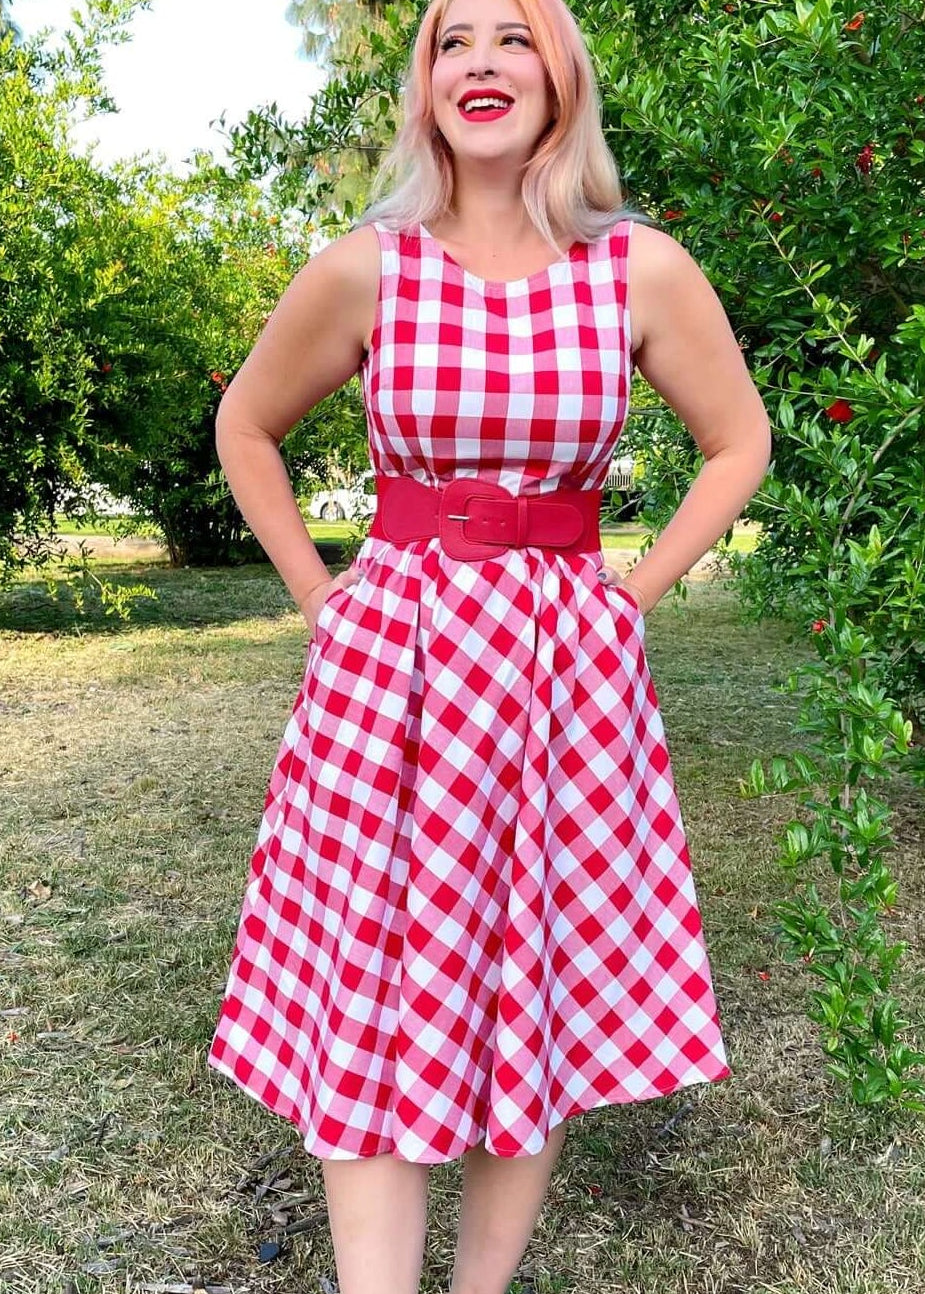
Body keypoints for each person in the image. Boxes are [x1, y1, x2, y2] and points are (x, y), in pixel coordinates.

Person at [206, 0, 772, 1290]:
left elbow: (738, 439)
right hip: (391, 669)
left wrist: (633, 593)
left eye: (511, 36)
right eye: (451, 40)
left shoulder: (639, 269)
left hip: (565, 674)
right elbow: (249, 423)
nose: (481, 62)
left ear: (558, 72)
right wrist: (322, 594)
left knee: (540, 984)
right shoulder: (368, 266)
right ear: (426, 84)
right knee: (378, 981)